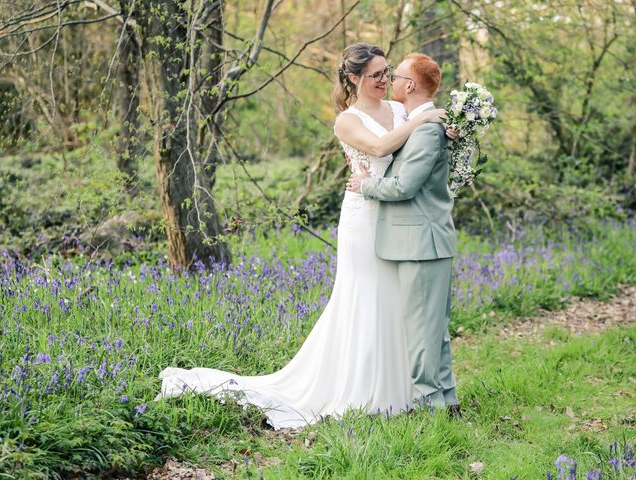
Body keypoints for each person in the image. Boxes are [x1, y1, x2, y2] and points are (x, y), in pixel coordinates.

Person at [157, 43, 453, 429]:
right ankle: (362, 391)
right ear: (353, 79)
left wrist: (436, 129)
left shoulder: (398, 109)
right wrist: (424, 121)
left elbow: (413, 152)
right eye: (375, 74)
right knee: (365, 295)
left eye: (387, 72)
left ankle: (403, 390)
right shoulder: (347, 120)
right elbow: (381, 146)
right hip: (363, 216)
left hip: (397, 216)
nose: (384, 80)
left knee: (397, 300)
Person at [347, 53, 460, 416]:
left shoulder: (426, 128)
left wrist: (366, 184)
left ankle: (432, 405)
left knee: (424, 331)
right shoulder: (415, 121)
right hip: (419, 238)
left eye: (394, 75)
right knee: (433, 329)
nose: (390, 80)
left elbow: (406, 185)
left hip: (420, 241)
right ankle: (446, 402)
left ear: (409, 85)